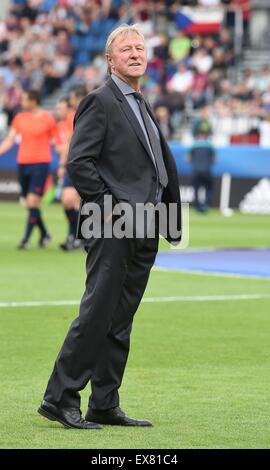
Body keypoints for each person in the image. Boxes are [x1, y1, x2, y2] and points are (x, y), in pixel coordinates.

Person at [38, 24, 182, 430]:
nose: (136, 53)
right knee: (98, 312)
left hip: (147, 225)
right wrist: (112, 209)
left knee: (120, 318)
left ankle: (104, 401)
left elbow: (155, 169)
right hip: (115, 224)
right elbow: (79, 163)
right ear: (110, 59)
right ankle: (60, 398)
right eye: (126, 48)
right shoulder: (99, 101)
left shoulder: (140, 101)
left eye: (140, 47)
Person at [0, 89, 56, 249]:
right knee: (29, 203)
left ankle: (25, 240)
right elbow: (10, 139)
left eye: (24, 99)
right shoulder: (19, 118)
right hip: (23, 163)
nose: (21, 102)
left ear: (34, 101)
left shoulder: (48, 119)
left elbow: (57, 140)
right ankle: (45, 234)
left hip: (41, 163)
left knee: (32, 201)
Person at [56, 87, 87, 251]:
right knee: (68, 202)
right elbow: (65, 145)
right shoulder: (66, 121)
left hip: (80, 163)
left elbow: (68, 144)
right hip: (71, 163)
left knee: (75, 201)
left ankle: (79, 238)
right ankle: (77, 236)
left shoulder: (78, 116)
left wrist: (62, 163)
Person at [187, 130, 216, 212]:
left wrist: (195, 163)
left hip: (196, 171)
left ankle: (197, 207)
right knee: (209, 188)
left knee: (196, 189)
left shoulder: (193, 146)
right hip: (206, 170)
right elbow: (215, 159)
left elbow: (188, 158)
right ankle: (206, 205)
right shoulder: (210, 145)